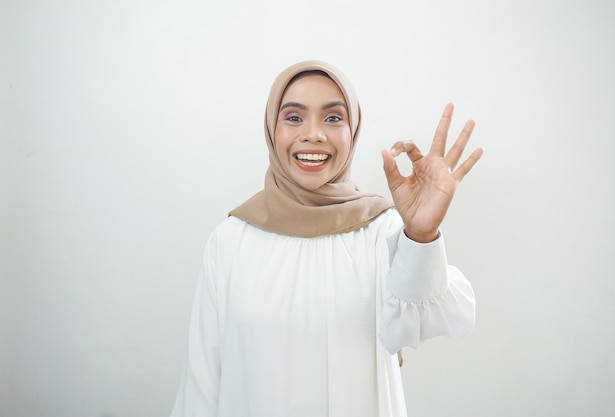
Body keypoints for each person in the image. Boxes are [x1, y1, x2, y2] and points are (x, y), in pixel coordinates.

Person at [169, 60, 483, 417]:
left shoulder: (382, 231)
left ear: (354, 130)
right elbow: (202, 382)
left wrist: (421, 234)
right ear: (272, 129)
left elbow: (435, 316)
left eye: (333, 118)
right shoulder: (230, 241)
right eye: (293, 117)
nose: (313, 134)